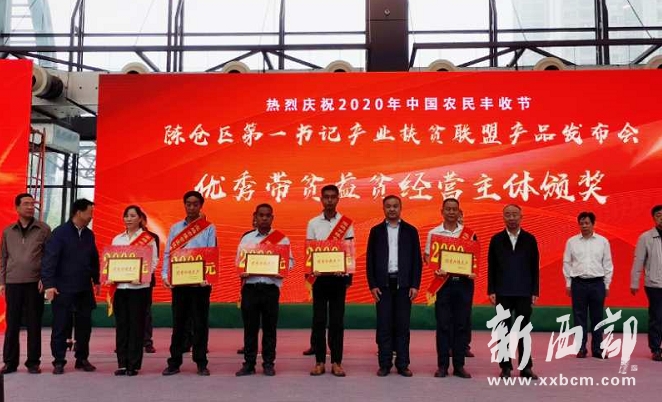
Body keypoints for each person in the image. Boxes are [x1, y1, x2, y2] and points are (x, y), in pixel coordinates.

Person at [161, 191, 216, 376]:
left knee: (200, 324)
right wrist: (165, 275)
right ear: (184, 205)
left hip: (200, 285)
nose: (191, 207)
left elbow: (211, 253)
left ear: (201, 206)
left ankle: (201, 362)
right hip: (180, 283)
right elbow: (168, 253)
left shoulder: (209, 228)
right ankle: (174, 362)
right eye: (188, 204)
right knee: (179, 324)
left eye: (195, 204)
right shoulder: (176, 228)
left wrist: (208, 278)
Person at [42, 198, 100, 375]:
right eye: (89, 213)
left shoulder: (89, 234)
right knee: (60, 325)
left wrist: (96, 280)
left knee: (84, 326)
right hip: (63, 288)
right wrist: (49, 284)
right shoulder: (60, 233)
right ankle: (59, 360)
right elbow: (49, 259)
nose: (91, 216)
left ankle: (82, 358)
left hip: (84, 288)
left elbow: (94, 258)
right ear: (79, 212)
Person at [235, 204, 294, 376]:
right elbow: (238, 261)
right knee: (250, 329)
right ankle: (249, 364)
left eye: (268, 215)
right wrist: (242, 270)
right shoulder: (247, 239)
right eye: (261, 215)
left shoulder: (281, 239)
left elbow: (290, 262)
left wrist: (281, 269)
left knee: (270, 328)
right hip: (250, 288)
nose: (264, 218)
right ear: (255, 217)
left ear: (272, 218)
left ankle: (268, 363)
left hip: (270, 288)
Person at [366, 195, 421, 377]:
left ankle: (403, 364)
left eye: (395, 206)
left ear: (400, 208)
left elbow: (416, 260)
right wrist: (372, 285)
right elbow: (370, 260)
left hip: (404, 285)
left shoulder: (410, 231)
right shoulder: (376, 231)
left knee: (402, 326)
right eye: (388, 206)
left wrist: (415, 284)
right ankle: (384, 364)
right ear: (383, 209)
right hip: (383, 286)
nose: (392, 209)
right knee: (384, 326)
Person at [487, 204, 539, 379]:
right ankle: (505, 367)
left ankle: (526, 367)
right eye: (508, 215)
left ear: (521, 217)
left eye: (515, 214)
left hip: (524, 291)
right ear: (503, 217)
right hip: (502, 291)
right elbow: (491, 267)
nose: (511, 218)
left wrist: (534, 291)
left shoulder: (530, 239)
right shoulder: (496, 239)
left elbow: (535, 267)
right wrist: (491, 290)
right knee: (503, 330)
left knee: (524, 330)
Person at [0, 193, 51, 374]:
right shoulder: (8, 231)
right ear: (17, 207)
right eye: (26, 204)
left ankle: (33, 362)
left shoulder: (43, 229)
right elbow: (3, 258)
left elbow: (49, 257)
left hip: (34, 283)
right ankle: (10, 362)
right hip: (13, 282)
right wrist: (2, 281)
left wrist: (45, 279)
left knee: (34, 323)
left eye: (32, 204)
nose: (30, 207)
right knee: (12, 324)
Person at [425, 198, 475, 379]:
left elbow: (474, 258)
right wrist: (435, 267)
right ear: (442, 211)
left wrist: (472, 270)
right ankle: (443, 366)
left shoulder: (469, 234)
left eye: (454, 209)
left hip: (464, 285)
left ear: (459, 212)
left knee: (461, 325)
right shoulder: (434, 233)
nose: (451, 212)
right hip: (443, 284)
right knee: (443, 325)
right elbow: (428, 257)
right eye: (448, 209)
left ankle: (459, 366)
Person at [308, 184, 354, 377]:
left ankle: (336, 362)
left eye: (332, 197)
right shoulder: (313, 223)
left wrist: (346, 273)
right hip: (319, 280)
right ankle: (319, 361)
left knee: (337, 321)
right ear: (321, 199)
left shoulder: (346, 223)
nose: (329, 200)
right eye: (326, 197)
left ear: (338, 199)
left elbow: (349, 251)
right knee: (319, 321)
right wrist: (312, 270)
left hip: (337, 279)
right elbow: (309, 251)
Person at [109, 206, 159, 376]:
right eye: (126, 216)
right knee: (122, 326)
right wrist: (110, 275)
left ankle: (133, 365)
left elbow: (153, 262)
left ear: (140, 219)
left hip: (139, 288)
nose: (128, 219)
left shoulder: (148, 239)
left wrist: (143, 276)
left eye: (132, 216)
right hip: (120, 288)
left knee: (136, 326)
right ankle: (122, 363)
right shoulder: (117, 239)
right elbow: (111, 261)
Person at [563, 211, 613, 359]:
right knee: (579, 317)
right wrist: (568, 283)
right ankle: (581, 348)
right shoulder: (572, 242)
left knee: (597, 317)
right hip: (578, 283)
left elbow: (608, 264)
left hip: (597, 283)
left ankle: (597, 349)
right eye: (581, 223)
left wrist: (607, 284)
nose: (584, 226)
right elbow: (567, 262)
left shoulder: (603, 241)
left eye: (587, 223)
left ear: (593, 224)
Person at [631, 204, 662, 361]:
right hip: (654, 284)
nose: (661, 218)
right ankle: (656, 349)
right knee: (657, 317)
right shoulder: (646, 237)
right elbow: (639, 261)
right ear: (653, 218)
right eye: (658, 215)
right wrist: (634, 282)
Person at [138, 209, 160, 354]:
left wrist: (145, 274)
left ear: (143, 221)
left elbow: (154, 259)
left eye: (135, 217)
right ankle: (128, 340)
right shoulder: (122, 238)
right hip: (126, 281)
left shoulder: (152, 237)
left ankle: (147, 341)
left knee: (145, 311)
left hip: (146, 280)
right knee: (127, 313)